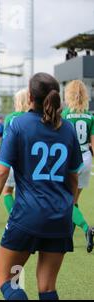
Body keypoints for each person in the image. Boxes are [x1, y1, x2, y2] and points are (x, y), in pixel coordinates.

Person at [0, 73, 83, 300]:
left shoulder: (19, 124)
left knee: (8, 280)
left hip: (28, 216)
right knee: (47, 288)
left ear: (30, 96)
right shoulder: (67, 129)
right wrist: (70, 206)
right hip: (60, 216)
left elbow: (1, 172)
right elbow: (74, 177)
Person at [62, 80, 94, 253]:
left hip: (70, 160)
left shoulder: (65, 115)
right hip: (86, 160)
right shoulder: (90, 116)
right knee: (73, 200)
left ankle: (85, 227)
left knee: (67, 201)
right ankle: (69, 236)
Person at [2, 89, 30, 215]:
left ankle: (15, 217)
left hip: (13, 160)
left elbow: (5, 142)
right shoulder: (34, 117)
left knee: (7, 191)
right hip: (30, 162)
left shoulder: (10, 118)